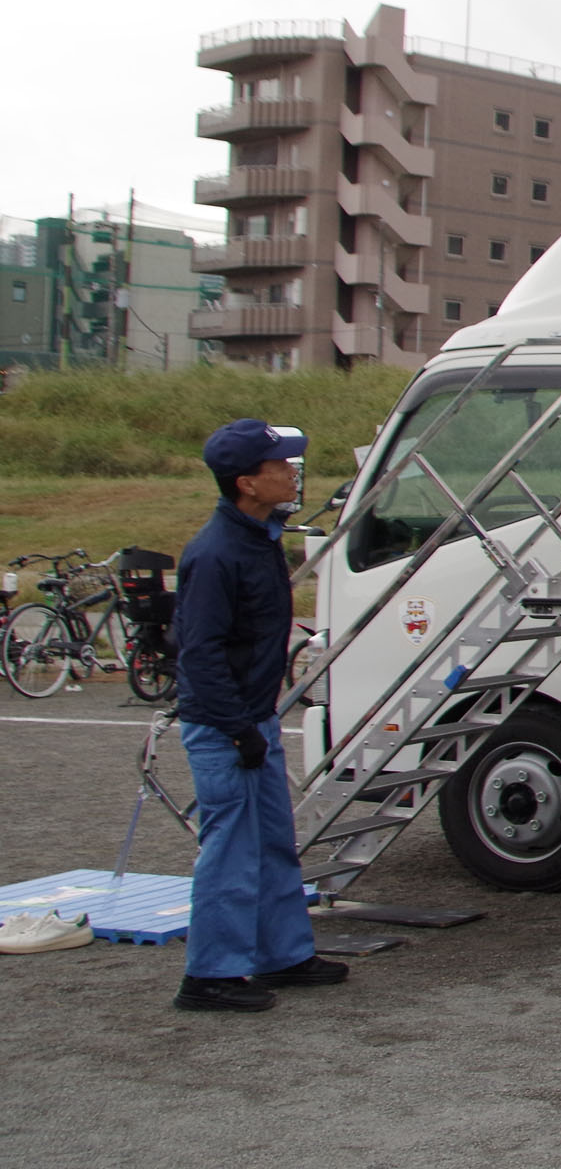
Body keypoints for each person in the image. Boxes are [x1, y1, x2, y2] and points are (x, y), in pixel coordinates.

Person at [173, 419, 350, 1013]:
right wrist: (238, 727)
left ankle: (284, 953)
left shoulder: (258, 535)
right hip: (228, 726)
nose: (291, 472)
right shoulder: (217, 552)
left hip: (253, 718)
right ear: (247, 482)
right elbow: (199, 651)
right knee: (230, 850)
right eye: (281, 465)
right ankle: (211, 974)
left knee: (274, 841)